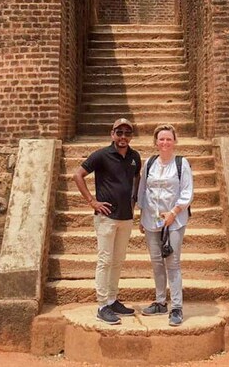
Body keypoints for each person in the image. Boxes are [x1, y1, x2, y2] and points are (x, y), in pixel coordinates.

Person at [71, 118, 141, 325]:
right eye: (119, 133)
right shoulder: (102, 155)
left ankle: (112, 299)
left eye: (127, 133)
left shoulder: (135, 157)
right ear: (112, 134)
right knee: (105, 260)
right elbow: (78, 175)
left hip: (126, 217)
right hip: (106, 217)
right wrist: (92, 201)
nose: (123, 137)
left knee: (118, 260)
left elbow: (137, 179)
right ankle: (102, 305)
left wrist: (134, 200)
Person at [137, 123, 193, 327]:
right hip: (152, 219)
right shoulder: (150, 162)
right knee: (156, 262)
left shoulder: (181, 163)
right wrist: (142, 216)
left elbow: (187, 192)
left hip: (174, 220)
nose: (165, 142)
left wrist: (174, 212)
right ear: (156, 142)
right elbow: (143, 190)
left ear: (174, 141)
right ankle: (160, 301)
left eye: (168, 139)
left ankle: (176, 306)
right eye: (161, 139)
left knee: (173, 263)